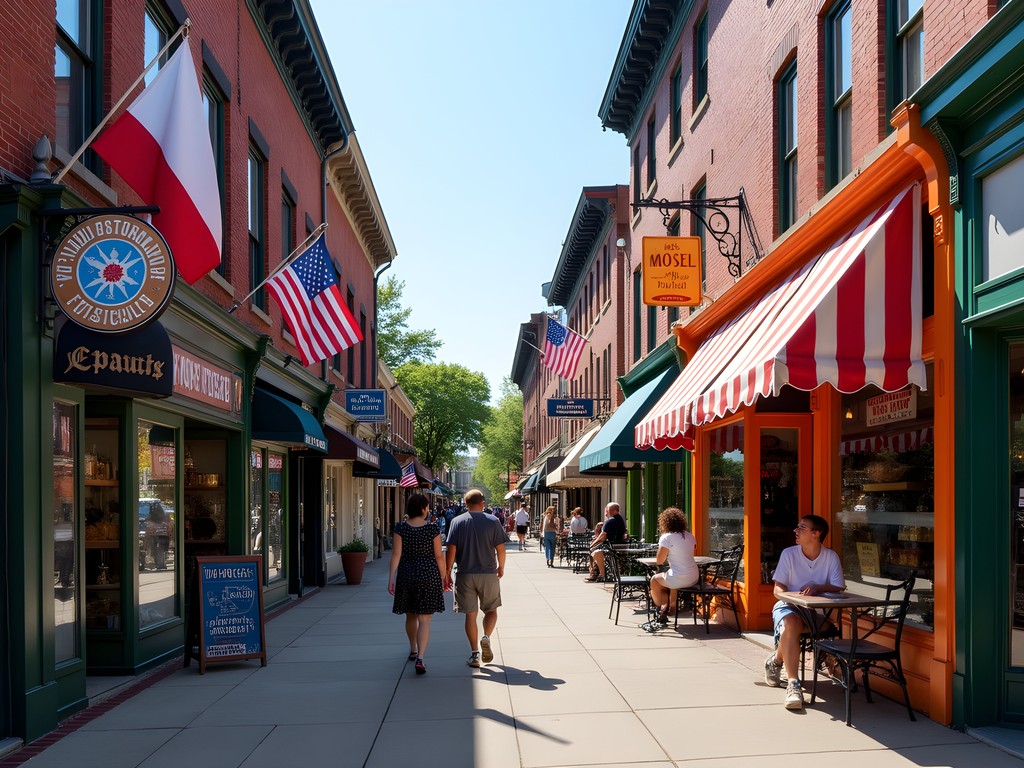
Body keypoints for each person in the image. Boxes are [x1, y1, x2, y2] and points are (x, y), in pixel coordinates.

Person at [763, 514, 846, 711]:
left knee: (820, 627)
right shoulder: (789, 554)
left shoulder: (830, 557)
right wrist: (795, 600)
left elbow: (838, 586)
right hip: (789, 607)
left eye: (802, 528)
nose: (795, 531)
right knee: (792, 623)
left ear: (816, 534)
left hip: (818, 612)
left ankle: (777, 659)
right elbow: (778, 589)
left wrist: (818, 586)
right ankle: (793, 684)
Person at [444, 488, 507, 668]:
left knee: (470, 615)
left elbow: (452, 550)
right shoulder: (493, 521)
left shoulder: (457, 522)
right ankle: (486, 637)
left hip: (465, 574)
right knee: (491, 610)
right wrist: (501, 567)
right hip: (488, 573)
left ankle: (474, 654)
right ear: (483, 503)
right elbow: (500, 549)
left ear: (465, 504)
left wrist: (447, 572)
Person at [388, 494, 447, 676]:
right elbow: (439, 555)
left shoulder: (401, 528)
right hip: (428, 574)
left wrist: (391, 577)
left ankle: (413, 649)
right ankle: (421, 658)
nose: (428, 509)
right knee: (425, 619)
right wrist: (444, 576)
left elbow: (396, 554)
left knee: (411, 615)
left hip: (407, 574)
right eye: (427, 507)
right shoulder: (432, 529)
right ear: (423, 508)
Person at [648, 507, 699, 624]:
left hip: (679, 578)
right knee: (672, 577)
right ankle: (672, 606)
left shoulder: (666, 537)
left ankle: (662, 605)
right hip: (694, 577)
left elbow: (659, 561)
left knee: (654, 580)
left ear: (665, 522)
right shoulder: (690, 536)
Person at [585, 502, 626, 582]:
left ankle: (600, 573)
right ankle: (595, 572)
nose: (607, 512)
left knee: (594, 552)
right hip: (619, 545)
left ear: (614, 511)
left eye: (608, 510)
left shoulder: (610, 521)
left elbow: (603, 535)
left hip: (611, 547)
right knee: (594, 550)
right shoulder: (620, 520)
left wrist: (593, 543)